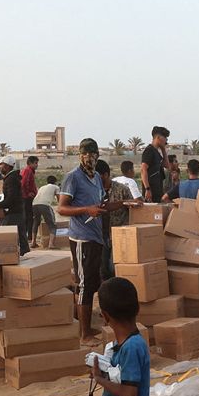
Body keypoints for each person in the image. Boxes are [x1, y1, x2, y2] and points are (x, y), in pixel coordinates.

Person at [60, 139, 127, 342]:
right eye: (85, 155)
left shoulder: (97, 177)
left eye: (93, 154)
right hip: (82, 238)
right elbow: (62, 208)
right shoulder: (72, 178)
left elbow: (101, 206)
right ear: (80, 156)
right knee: (85, 285)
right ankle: (84, 333)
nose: (90, 158)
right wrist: (86, 210)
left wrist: (123, 203)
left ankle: (83, 323)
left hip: (96, 237)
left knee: (93, 281)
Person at [0, 154, 29, 255]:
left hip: (13, 212)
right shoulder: (12, 177)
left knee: (9, 237)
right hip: (17, 211)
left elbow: (11, 198)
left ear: (6, 166)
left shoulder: (11, 179)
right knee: (20, 234)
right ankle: (24, 255)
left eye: (1, 165)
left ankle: (16, 257)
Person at [140, 126, 170, 202]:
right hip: (151, 192)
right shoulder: (149, 151)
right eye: (165, 137)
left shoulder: (156, 152)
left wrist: (163, 149)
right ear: (158, 137)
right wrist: (147, 189)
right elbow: (143, 169)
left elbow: (167, 165)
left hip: (158, 191)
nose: (166, 140)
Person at [31, 175, 60, 248]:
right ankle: (51, 244)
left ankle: (33, 242)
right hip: (45, 204)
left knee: (36, 222)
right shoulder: (56, 187)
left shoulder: (42, 187)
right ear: (55, 182)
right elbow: (59, 199)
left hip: (34, 204)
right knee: (52, 225)